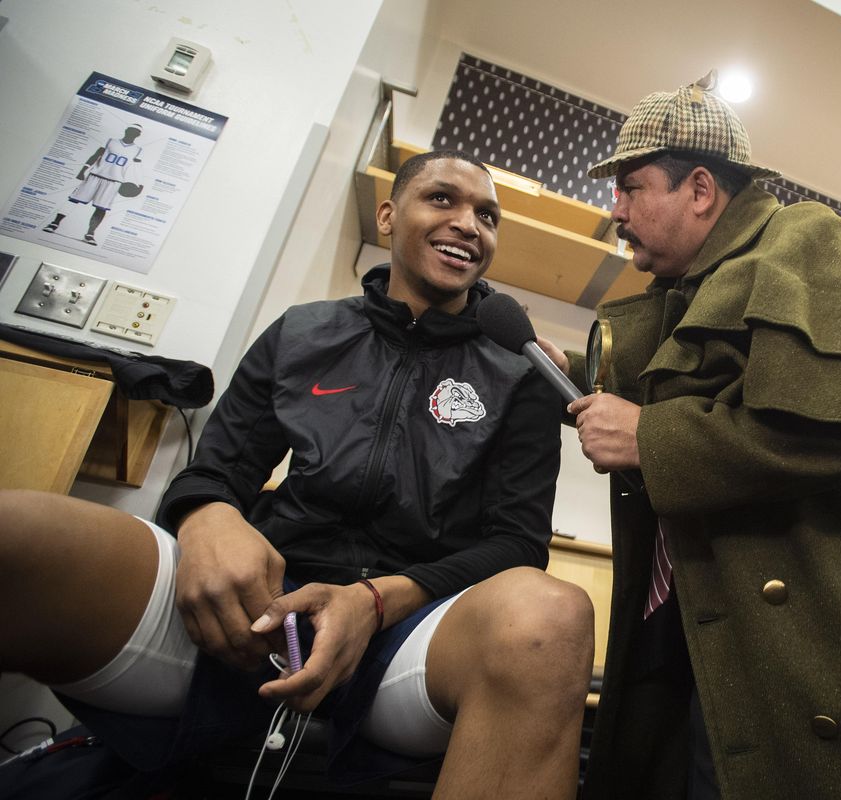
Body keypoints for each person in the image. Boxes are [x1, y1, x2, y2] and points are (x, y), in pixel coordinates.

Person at [0, 150, 594, 798]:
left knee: (553, 616)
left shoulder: (519, 369)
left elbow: (516, 544)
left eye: (487, 216)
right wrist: (209, 518)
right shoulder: (305, 332)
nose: (468, 225)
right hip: (262, 609)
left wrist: (375, 600)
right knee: (17, 531)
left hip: (410, 628)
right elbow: (216, 470)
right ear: (390, 216)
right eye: (443, 200)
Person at [538, 75, 841, 798]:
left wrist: (653, 437)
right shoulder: (690, 289)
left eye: (632, 186)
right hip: (761, 653)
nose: (616, 208)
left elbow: (835, 425)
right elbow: (711, 379)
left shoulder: (803, 237)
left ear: (702, 190)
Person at [42, 122, 144, 245]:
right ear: (126, 130)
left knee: (101, 208)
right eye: (131, 130)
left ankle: (90, 234)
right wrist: (84, 169)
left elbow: (137, 169)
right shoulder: (110, 141)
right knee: (74, 199)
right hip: (95, 175)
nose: (132, 133)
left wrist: (139, 185)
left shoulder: (137, 150)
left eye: (135, 131)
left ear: (138, 135)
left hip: (114, 181)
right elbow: (96, 155)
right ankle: (54, 223)